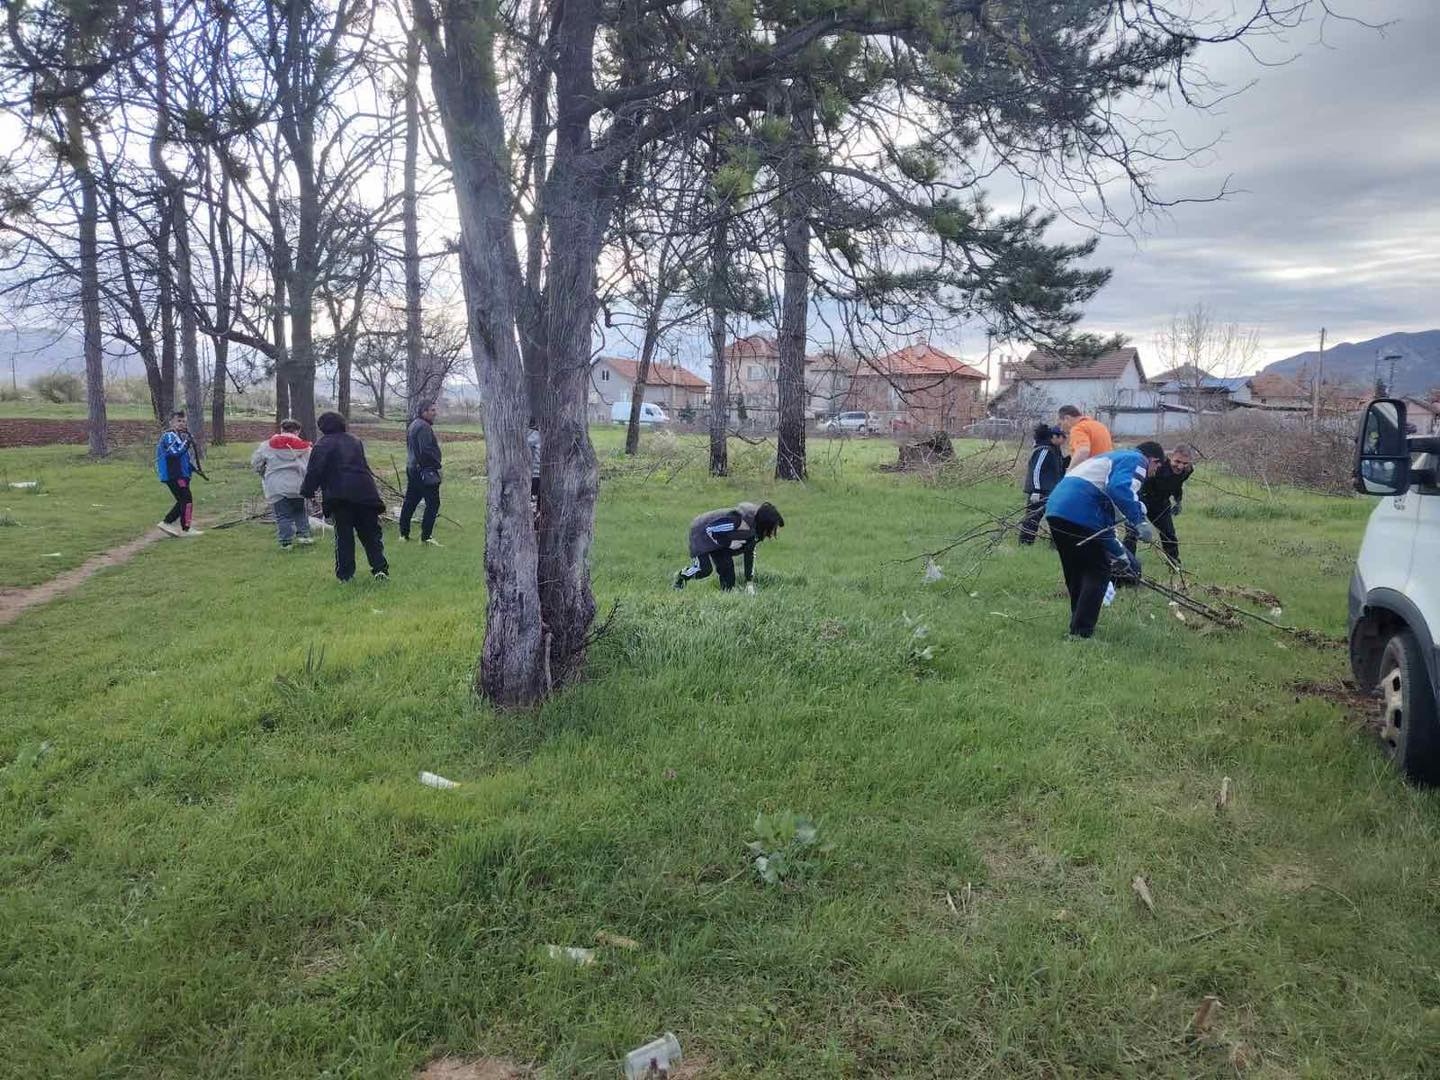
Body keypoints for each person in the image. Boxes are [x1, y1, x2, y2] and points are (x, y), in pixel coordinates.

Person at [1044, 442, 1165, 638]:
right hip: (1080, 510)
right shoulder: (1137, 459)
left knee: (1076, 571)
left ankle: (1077, 626)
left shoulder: (1110, 458)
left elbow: (1103, 529)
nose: (1153, 472)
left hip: (1056, 509)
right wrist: (1140, 521)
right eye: (1156, 468)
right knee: (1098, 571)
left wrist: (1120, 554)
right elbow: (1120, 489)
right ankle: (1082, 633)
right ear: (1154, 460)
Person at [301, 411, 390, 582]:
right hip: (365, 492)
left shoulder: (322, 445)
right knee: (371, 534)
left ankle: (345, 575)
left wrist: (307, 491)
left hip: (339, 496)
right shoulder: (355, 441)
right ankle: (380, 569)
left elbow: (314, 470)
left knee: (344, 536)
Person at [674, 501, 784, 591]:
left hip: (721, 538)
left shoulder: (754, 532)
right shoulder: (737, 520)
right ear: (765, 524)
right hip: (701, 533)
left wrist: (749, 582)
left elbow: (749, 552)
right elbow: (710, 529)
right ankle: (681, 576)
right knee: (704, 569)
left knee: (727, 571)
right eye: (773, 528)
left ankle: (727, 593)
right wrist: (729, 544)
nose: (773, 532)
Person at [1125, 443, 1196, 567]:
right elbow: (1139, 482)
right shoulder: (1158, 465)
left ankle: (1175, 565)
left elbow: (1177, 484)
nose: (1180, 466)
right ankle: (1127, 565)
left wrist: (1178, 501)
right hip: (1143, 498)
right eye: (1177, 461)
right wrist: (1134, 504)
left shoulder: (1188, 470)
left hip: (1161, 503)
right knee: (1133, 531)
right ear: (1170, 457)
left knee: (1169, 534)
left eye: (1185, 463)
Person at [250, 419, 314, 549]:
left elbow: (256, 462)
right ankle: (304, 536)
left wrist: (262, 472)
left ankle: (286, 542)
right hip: (298, 483)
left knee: (282, 514)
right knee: (300, 511)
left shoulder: (267, 445)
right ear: (297, 431)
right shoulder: (305, 448)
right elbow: (312, 465)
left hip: (276, 484)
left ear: (282, 429)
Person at [399, 401, 443, 545]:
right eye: (432, 410)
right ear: (424, 412)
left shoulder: (413, 424)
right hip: (424, 470)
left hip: (412, 468)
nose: (435, 413)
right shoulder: (424, 427)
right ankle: (426, 537)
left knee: (410, 501)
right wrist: (436, 464)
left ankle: (403, 534)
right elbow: (425, 450)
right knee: (433, 503)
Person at [155, 410, 203, 537]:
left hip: (181, 474)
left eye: (183, 421)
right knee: (186, 499)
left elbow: (182, 458)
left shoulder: (178, 437)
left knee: (183, 500)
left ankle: (168, 522)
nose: (181, 423)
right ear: (171, 422)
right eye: (178, 421)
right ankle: (184, 528)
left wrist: (192, 468)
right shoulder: (169, 436)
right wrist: (187, 443)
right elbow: (174, 453)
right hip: (175, 475)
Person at [1019, 423, 1065, 545]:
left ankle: (1055, 545)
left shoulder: (1056, 451)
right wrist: (1036, 490)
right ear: (1054, 436)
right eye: (1063, 437)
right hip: (1040, 492)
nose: (1064, 440)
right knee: (1032, 519)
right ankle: (1025, 543)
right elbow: (1036, 470)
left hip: (1052, 492)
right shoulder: (1044, 450)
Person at [1057, 405, 1113, 471]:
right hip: (1106, 470)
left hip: (1091, 471)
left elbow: (1083, 451)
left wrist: (1070, 471)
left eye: (1060, 424)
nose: (1061, 429)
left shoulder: (1078, 428)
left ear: (1067, 418)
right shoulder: (1099, 426)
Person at [527, 417, 542, 528]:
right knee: (534, 502)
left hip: (535, 475)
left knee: (535, 502)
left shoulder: (530, 435)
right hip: (535, 475)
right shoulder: (535, 435)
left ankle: (535, 523)